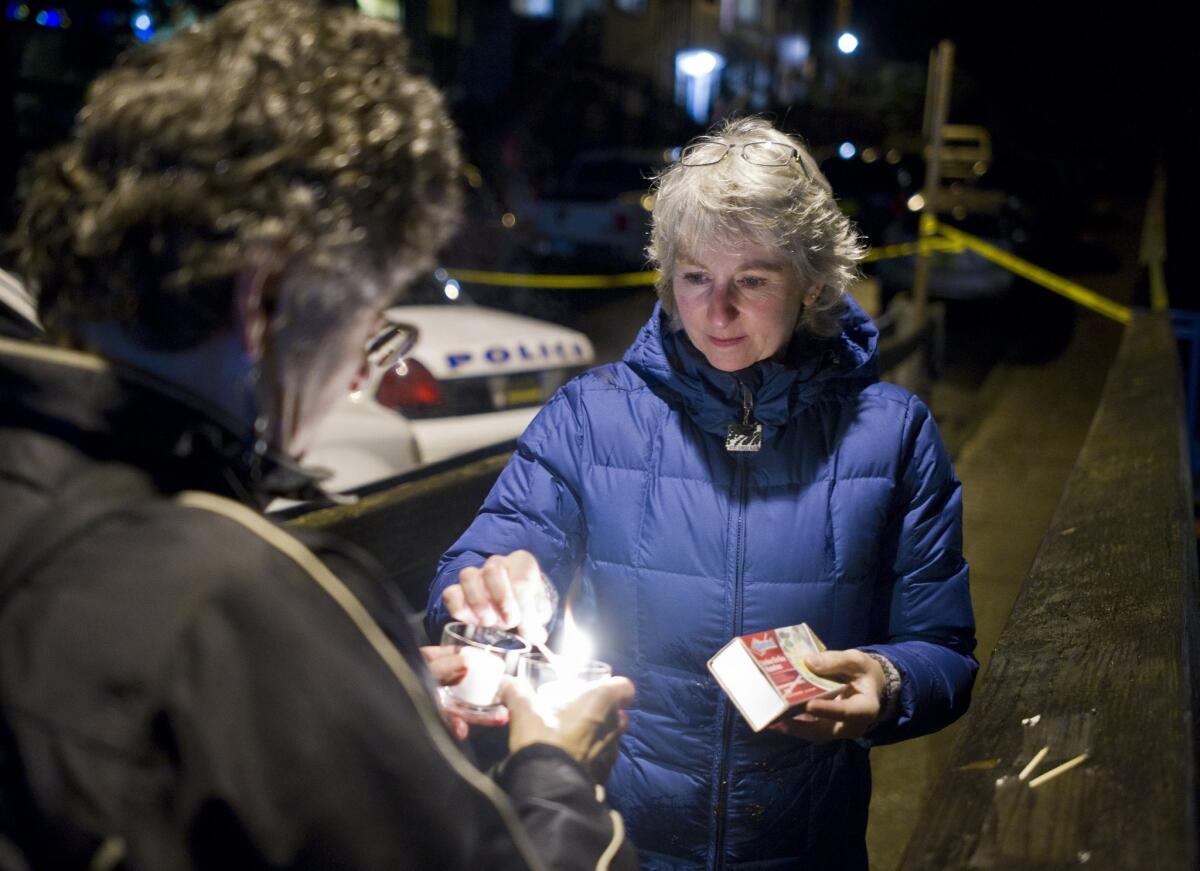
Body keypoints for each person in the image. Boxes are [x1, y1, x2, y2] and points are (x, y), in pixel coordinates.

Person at [0, 3, 636, 869]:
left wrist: (352, 692)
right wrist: (558, 777)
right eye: (367, 325)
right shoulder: (239, 601)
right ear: (264, 300)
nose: (352, 379)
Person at [426, 117, 978, 869]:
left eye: (751, 280)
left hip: (804, 846)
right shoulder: (591, 416)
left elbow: (943, 650)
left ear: (811, 279)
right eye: (694, 277)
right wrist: (481, 590)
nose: (716, 312)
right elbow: (476, 565)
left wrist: (889, 682)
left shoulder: (894, 433)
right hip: (616, 844)